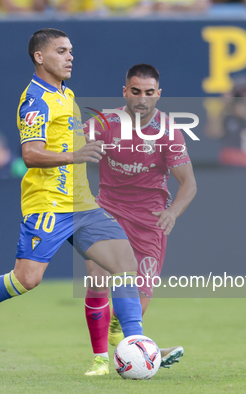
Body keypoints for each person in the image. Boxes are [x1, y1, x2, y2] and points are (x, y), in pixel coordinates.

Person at [0, 28, 146, 364]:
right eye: (61, 51)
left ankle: (137, 343)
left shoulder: (66, 94)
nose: (70, 57)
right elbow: (31, 154)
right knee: (26, 279)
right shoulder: (35, 99)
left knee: (125, 264)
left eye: (71, 51)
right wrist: (74, 156)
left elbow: (70, 141)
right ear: (40, 57)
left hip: (82, 205)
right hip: (48, 204)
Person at [81, 64, 198, 375]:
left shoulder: (169, 131)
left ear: (158, 94)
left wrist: (172, 212)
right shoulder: (104, 124)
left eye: (149, 93)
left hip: (150, 222)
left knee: (138, 304)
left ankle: (131, 345)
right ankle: (100, 359)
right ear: (125, 92)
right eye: (135, 92)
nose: (142, 99)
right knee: (97, 279)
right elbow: (70, 152)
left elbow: (189, 183)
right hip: (107, 212)